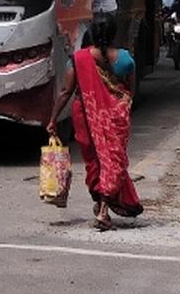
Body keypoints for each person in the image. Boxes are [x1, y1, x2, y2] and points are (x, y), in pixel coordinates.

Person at [46, 19, 143, 230]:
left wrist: (53, 119)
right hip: (114, 117)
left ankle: (99, 202)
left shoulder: (78, 59)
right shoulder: (126, 59)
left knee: (94, 161)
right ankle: (103, 211)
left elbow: (65, 92)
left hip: (84, 115)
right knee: (112, 160)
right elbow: (130, 92)